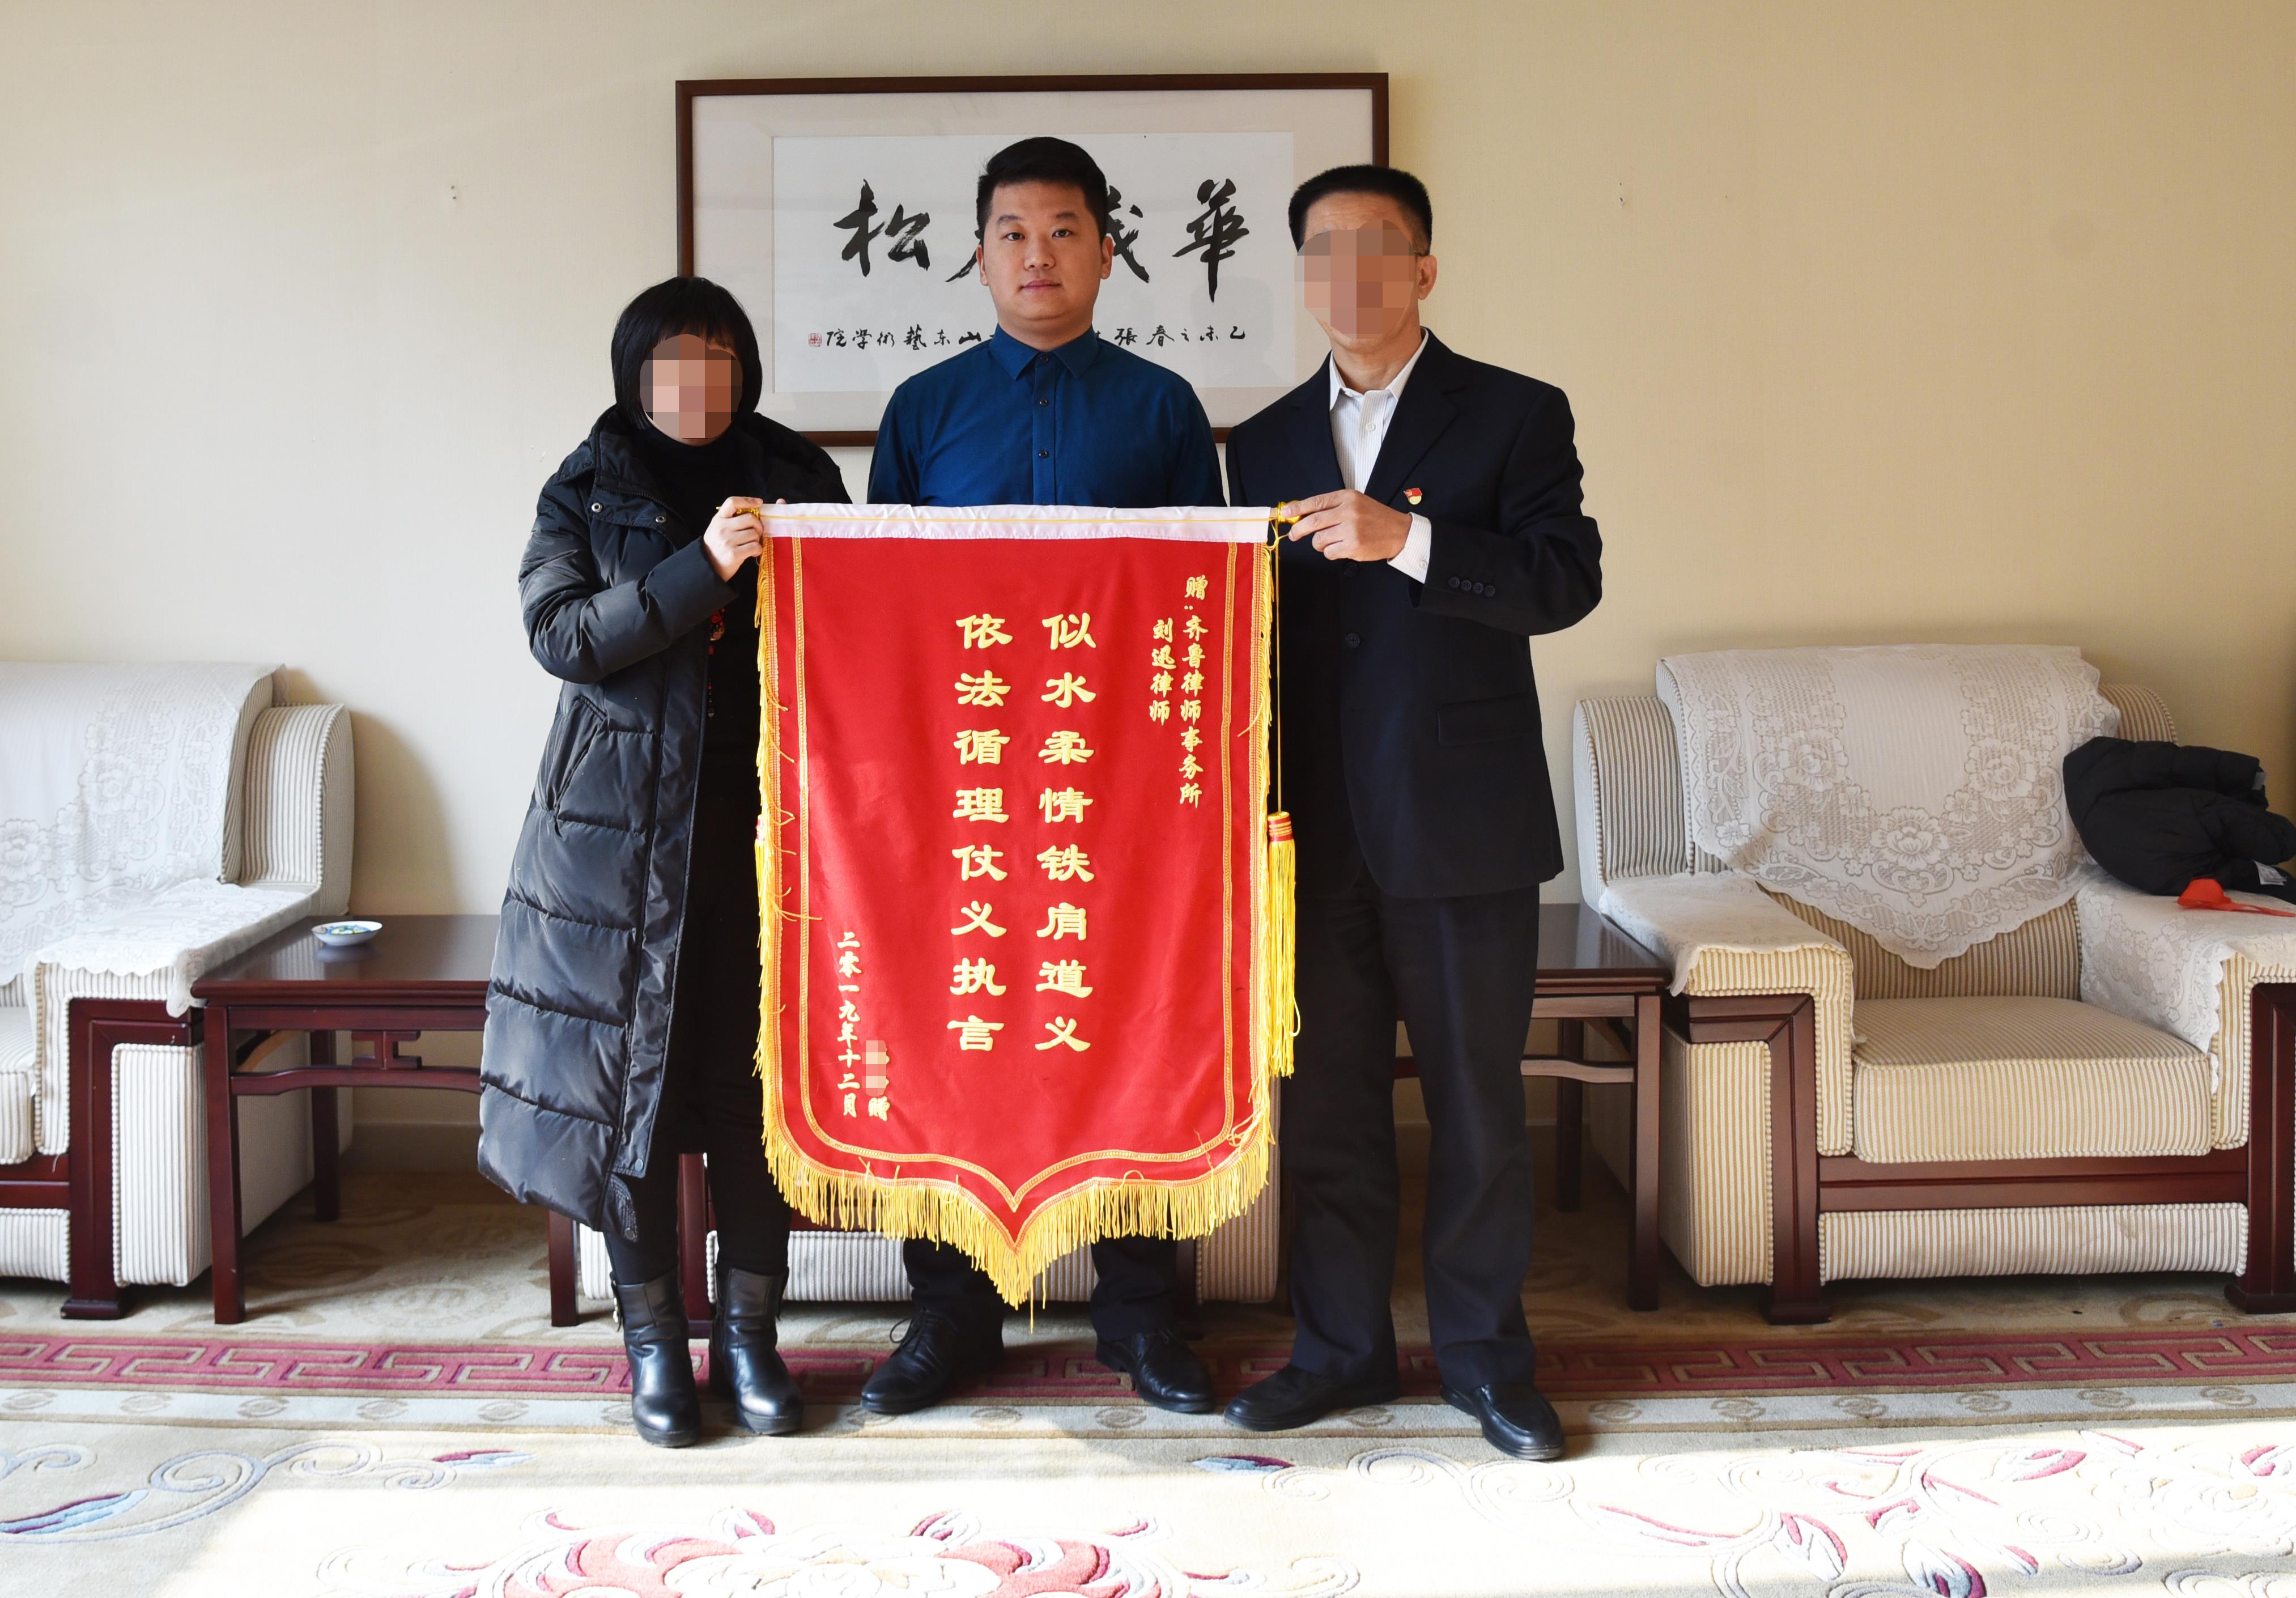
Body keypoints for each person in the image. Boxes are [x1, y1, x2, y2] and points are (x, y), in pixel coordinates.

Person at [1223, 165, 1602, 1459]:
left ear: (1424, 269)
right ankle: (1339, 1349)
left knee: (1478, 1111)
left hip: (1462, 823)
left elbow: (1564, 581)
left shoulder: (1514, 412)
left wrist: (1412, 540)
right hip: (1307, 833)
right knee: (1327, 1109)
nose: (1349, 274)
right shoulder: (1260, 441)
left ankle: (1486, 1361)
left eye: (1375, 248)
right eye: (1322, 252)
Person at [861, 135, 1223, 1418]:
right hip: (958, 793)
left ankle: (1141, 1317)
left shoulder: (1164, 409)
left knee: (1127, 1027)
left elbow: (1203, 604)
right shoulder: (922, 410)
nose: (1037, 254)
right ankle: (950, 1314)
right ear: (976, 255)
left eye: (1064, 230)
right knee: (953, 1034)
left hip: (1117, 793)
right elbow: (878, 613)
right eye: (1012, 231)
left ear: (1107, 253)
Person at [479, 277, 849, 1450]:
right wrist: (701, 566)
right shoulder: (586, 484)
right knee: (624, 1095)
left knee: (754, 1093)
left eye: (717, 358)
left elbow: (856, 630)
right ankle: (651, 1345)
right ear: (633, 375)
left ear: (745, 368)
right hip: (616, 844)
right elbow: (563, 635)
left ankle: (750, 1335)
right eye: (672, 362)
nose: (697, 383)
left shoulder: (799, 474)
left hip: (768, 835)